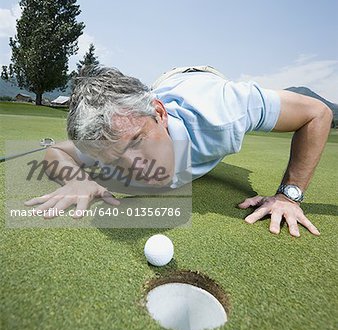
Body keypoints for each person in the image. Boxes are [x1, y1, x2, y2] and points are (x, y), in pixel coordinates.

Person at [25, 65, 333, 237]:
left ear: (159, 114)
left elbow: (316, 113)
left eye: (136, 141)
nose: (136, 168)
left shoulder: (224, 111)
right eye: (115, 159)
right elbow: (56, 152)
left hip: (196, 74)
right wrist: (77, 181)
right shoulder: (105, 140)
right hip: (158, 87)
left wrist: (288, 195)